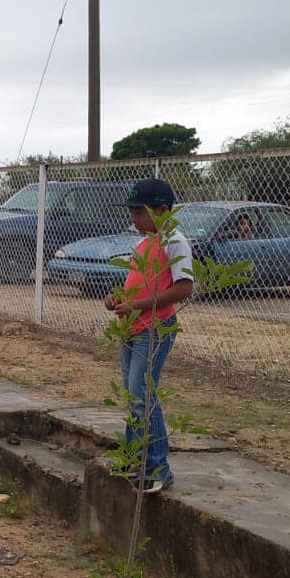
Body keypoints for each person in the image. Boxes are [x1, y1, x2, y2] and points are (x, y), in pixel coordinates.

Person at [103, 178, 193, 494]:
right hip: (133, 328)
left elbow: (183, 288)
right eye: (132, 212)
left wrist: (137, 306)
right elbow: (138, 283)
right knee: (133, 395)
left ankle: (157, 468)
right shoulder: (144, 244)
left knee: (143, 395)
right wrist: (116, 299)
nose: (134, 218)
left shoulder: (174, 242)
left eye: (139, 212)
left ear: (162, 211)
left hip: (155, 329)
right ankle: (134, 460)